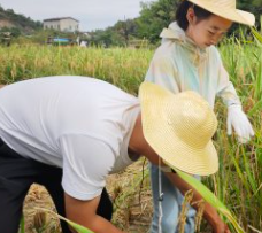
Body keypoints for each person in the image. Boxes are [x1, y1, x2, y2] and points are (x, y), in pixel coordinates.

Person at [0, 76, 230, 233]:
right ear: (157, 138)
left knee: (100, 211)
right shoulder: (97, 141)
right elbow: (82, 223)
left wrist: (213, 217)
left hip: (55, 138)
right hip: (7, 134)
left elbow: (174, 172)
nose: (174, 161)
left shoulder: (143, 122)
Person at [145, 0, 255, 233]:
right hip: (168, 151)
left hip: (198, 147)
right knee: (168, 221)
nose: (216, 38)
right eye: (212, 30)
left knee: (192, 213)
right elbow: (160, 117)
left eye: (222, 32)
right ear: (191, 16)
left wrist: (234, 107)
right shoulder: (166, 57)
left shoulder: (211, 54)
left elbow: (224, 85)